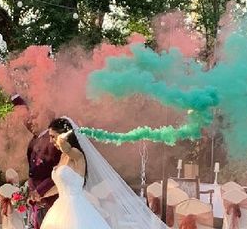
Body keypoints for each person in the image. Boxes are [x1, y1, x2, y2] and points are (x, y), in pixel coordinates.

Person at [41, 117, 170, 229]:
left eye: (53, 136)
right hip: (60, 207)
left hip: (75, 209)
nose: (51, 141)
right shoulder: (62, 156)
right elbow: (62, 184)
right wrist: (41, 195)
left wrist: (64, 141)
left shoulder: (76, 155)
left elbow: (68, 149)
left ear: (64, 135)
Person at [11, 94, 61, 227]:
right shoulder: (37, 138)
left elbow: (59, 171)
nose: (30, 121)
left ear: (45, 117)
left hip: (52, 203)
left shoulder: (53, 142)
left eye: (34, 118)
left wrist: (39, 191)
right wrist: (15, 97)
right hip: (38, 203)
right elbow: (25, 118)